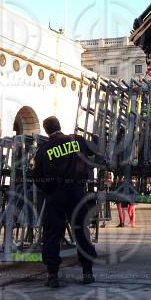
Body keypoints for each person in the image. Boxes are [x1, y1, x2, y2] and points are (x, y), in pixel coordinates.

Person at [32, 116, 97, 288]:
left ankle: (53, 275)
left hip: (56, 194)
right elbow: (94, 149)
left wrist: (49, 189)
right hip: (77, 192)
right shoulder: (77, 140)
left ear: (46, 131)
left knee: (53, 233)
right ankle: (87, 272)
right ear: (60, 126)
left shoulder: (44, 149)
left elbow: (37, 177)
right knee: (81, 231)